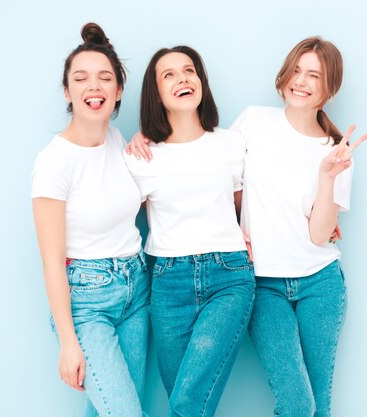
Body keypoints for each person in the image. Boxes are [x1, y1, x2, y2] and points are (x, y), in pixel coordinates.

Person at [230, 37, 367, 417]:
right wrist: (150, 137)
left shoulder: (336, 151)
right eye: (296, 70)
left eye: (314, 75)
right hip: (262, 284)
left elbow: (319, 235)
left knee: (318, 407)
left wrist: (327, 176)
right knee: (297, 403)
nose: (301, 81)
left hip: (320, 284)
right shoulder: (253, 121)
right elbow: (214, 175)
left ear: (329, 89)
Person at [122, 46, 255, 417]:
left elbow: (251, 208)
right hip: (167, 282)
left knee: (186, 404)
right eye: (169, 75)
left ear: (201, 82)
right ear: (157, 93)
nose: (183, 78)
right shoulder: (139, 156)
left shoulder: (231, 143)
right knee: (186, 403)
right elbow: (115, 214)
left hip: (228, 277)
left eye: (189, 70)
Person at [31, 23, 150, 417]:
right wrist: (68, 341)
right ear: (67, 92)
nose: (93, 87)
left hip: (138, 288)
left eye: (105, 78)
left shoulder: (118, 140)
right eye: (80, 79)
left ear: (118, 91)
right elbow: (51, 260)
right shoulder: (54, 162)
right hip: (87, 301)